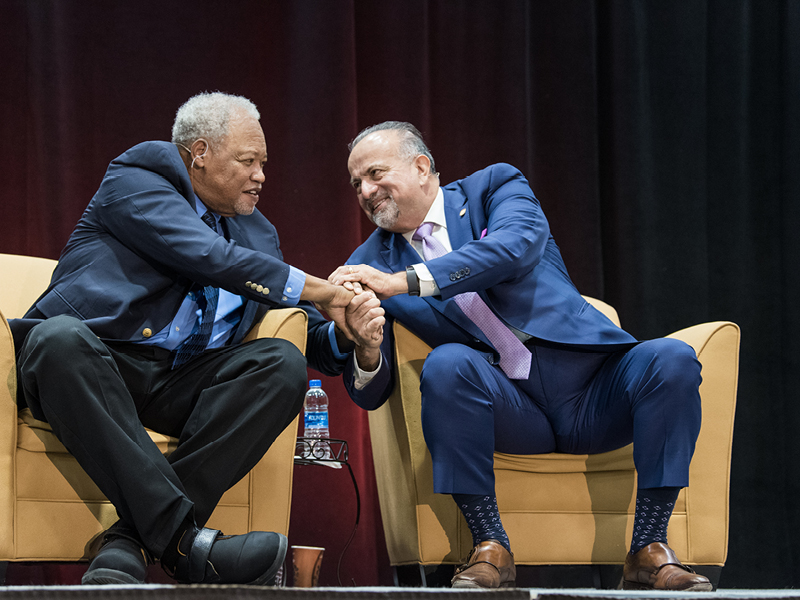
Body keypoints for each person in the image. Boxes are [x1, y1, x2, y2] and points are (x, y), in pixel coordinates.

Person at [329, 121, 712, 591]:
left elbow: (514, 248)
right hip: (511, 406)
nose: (365, 191)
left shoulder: (494, 186)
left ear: (421, 166)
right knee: (447, 363)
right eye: (356, 184)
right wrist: (366, 348)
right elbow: (371, 393)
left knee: (672, 357)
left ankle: (650, 549)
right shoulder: (370, 259)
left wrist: (408, 280)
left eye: (374, 173)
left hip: (593, 387)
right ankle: (490, 547)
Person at [9, 92, 357, 586]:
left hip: (179, 385)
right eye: (248, 161)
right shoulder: (138, 178)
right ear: (199, 153)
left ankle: (132, 540)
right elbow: (205, 255)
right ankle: (184, 544)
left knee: (280, 365)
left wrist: (350, 332)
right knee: (59, 339)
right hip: (95, 368)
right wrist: (320, 286)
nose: (262, 176)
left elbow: (303, 327)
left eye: (265, 163)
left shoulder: (258, 233)